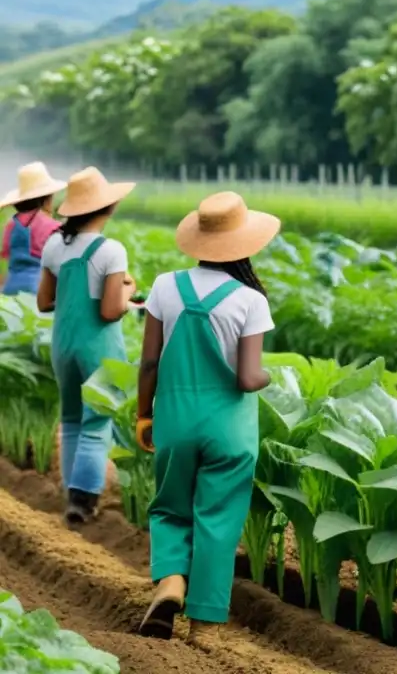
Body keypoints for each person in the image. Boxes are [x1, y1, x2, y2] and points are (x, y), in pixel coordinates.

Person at [136, 191, 279, 648]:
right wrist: (271, 375)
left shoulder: (164, 286)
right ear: (244, 244)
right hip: (229, 427)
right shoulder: (249, 299)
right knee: (217, 518)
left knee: (170, 506)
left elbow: (149, 363)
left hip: (175, 418)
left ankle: (171, 582)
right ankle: (205, 626)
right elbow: (249, 377)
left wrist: (144, 415)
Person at [36, 167, 136, 526]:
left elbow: (44, 302)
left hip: (62, 342)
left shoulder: (52, 245)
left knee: (72, 418)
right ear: (107, 208)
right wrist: (127, 288)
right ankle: (84, 500)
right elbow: (111, 310)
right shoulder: (111, 250)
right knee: (98, 421)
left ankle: (70, 492)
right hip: (97, 345)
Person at [1, 162, 66, 295]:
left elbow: (6, 254)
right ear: (46, 199)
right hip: (39, 287)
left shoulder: (11, 225)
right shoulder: (52, 226)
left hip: (11, 286)